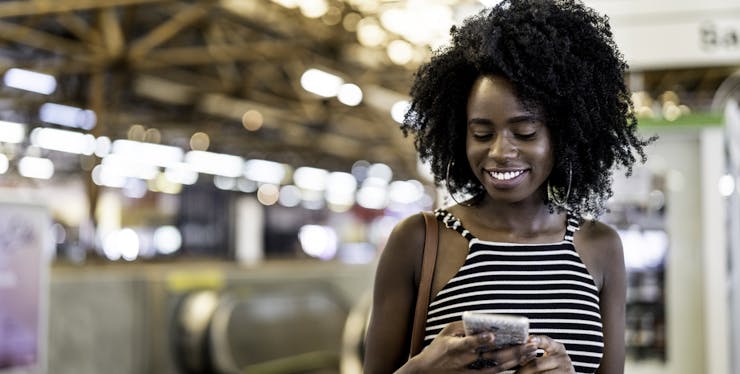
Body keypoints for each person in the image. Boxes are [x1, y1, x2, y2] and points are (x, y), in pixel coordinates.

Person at [363, 0, 654, 373]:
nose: (500, 152)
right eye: (482, 133)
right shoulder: (420, 239)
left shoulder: (600, 247)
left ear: (563, 136)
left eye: (525, 132)